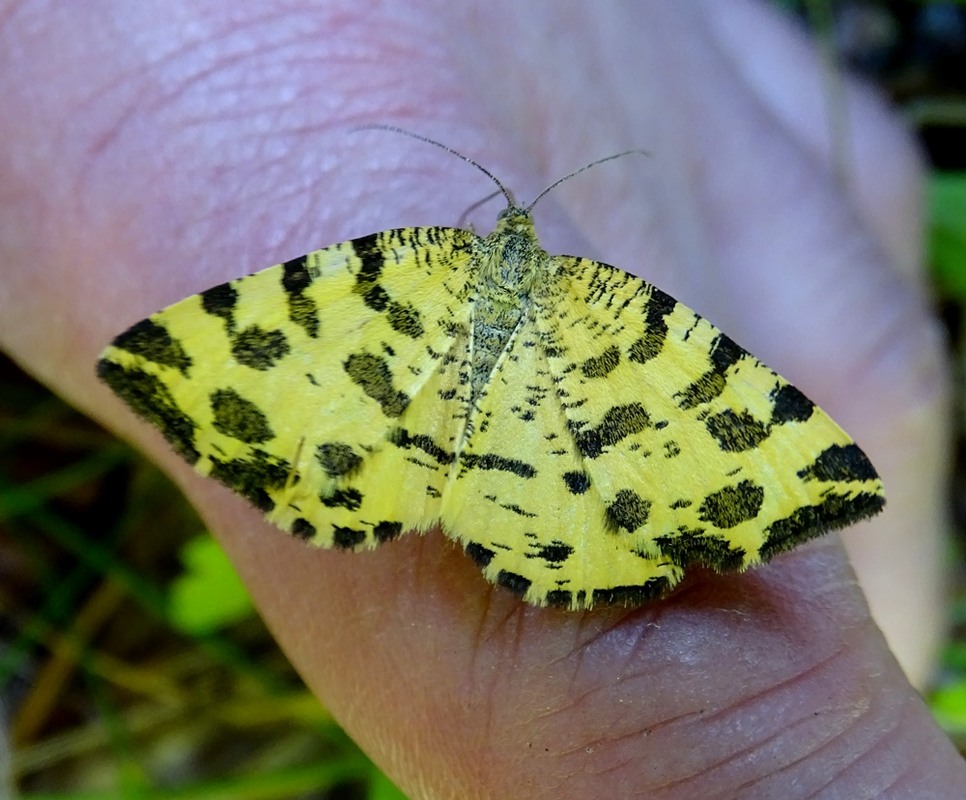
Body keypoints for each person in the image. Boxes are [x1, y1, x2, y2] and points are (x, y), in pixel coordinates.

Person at [1, 2, 962, 796]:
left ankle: (398, 484)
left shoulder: (408, 272)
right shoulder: (612, 309)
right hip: (549, 473)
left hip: (406, 414)